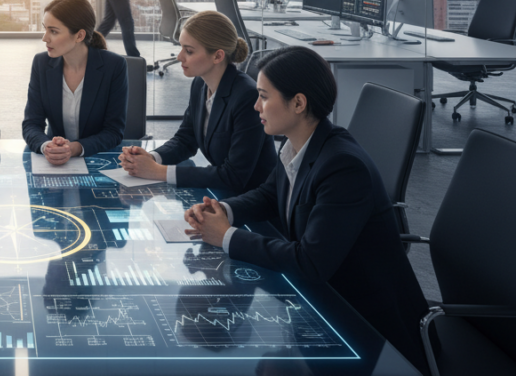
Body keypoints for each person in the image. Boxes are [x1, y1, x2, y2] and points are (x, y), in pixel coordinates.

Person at [183, 47, 430, 374]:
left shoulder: (343, 167)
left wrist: (227, 237)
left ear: (298, 103)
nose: (256, 106)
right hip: (324, 302)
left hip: (365, 325)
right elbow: (270, 195)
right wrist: (222, 209)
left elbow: (310, 262)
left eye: (263, 97)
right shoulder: (299, 143)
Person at [118, 10, 275, 191]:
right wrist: (150, 158)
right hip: (222, 192)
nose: (179, 57)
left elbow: (234, 176)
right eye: (181, 48)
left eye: (189, 51)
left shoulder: (246, 97)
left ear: (217, 56)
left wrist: (157, 171)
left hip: (251, 200)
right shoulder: (200, 83)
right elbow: (186, 139)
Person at [22, 0, 127, 163]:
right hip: (53, 161)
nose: (44, 38)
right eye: (45, 28)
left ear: (79, 36)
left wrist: (76, 148)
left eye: (53, 31)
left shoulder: (114, 66)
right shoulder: (41, 63)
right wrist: (47, 146)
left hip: (97, 159)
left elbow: (113, 132)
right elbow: (31, 124)